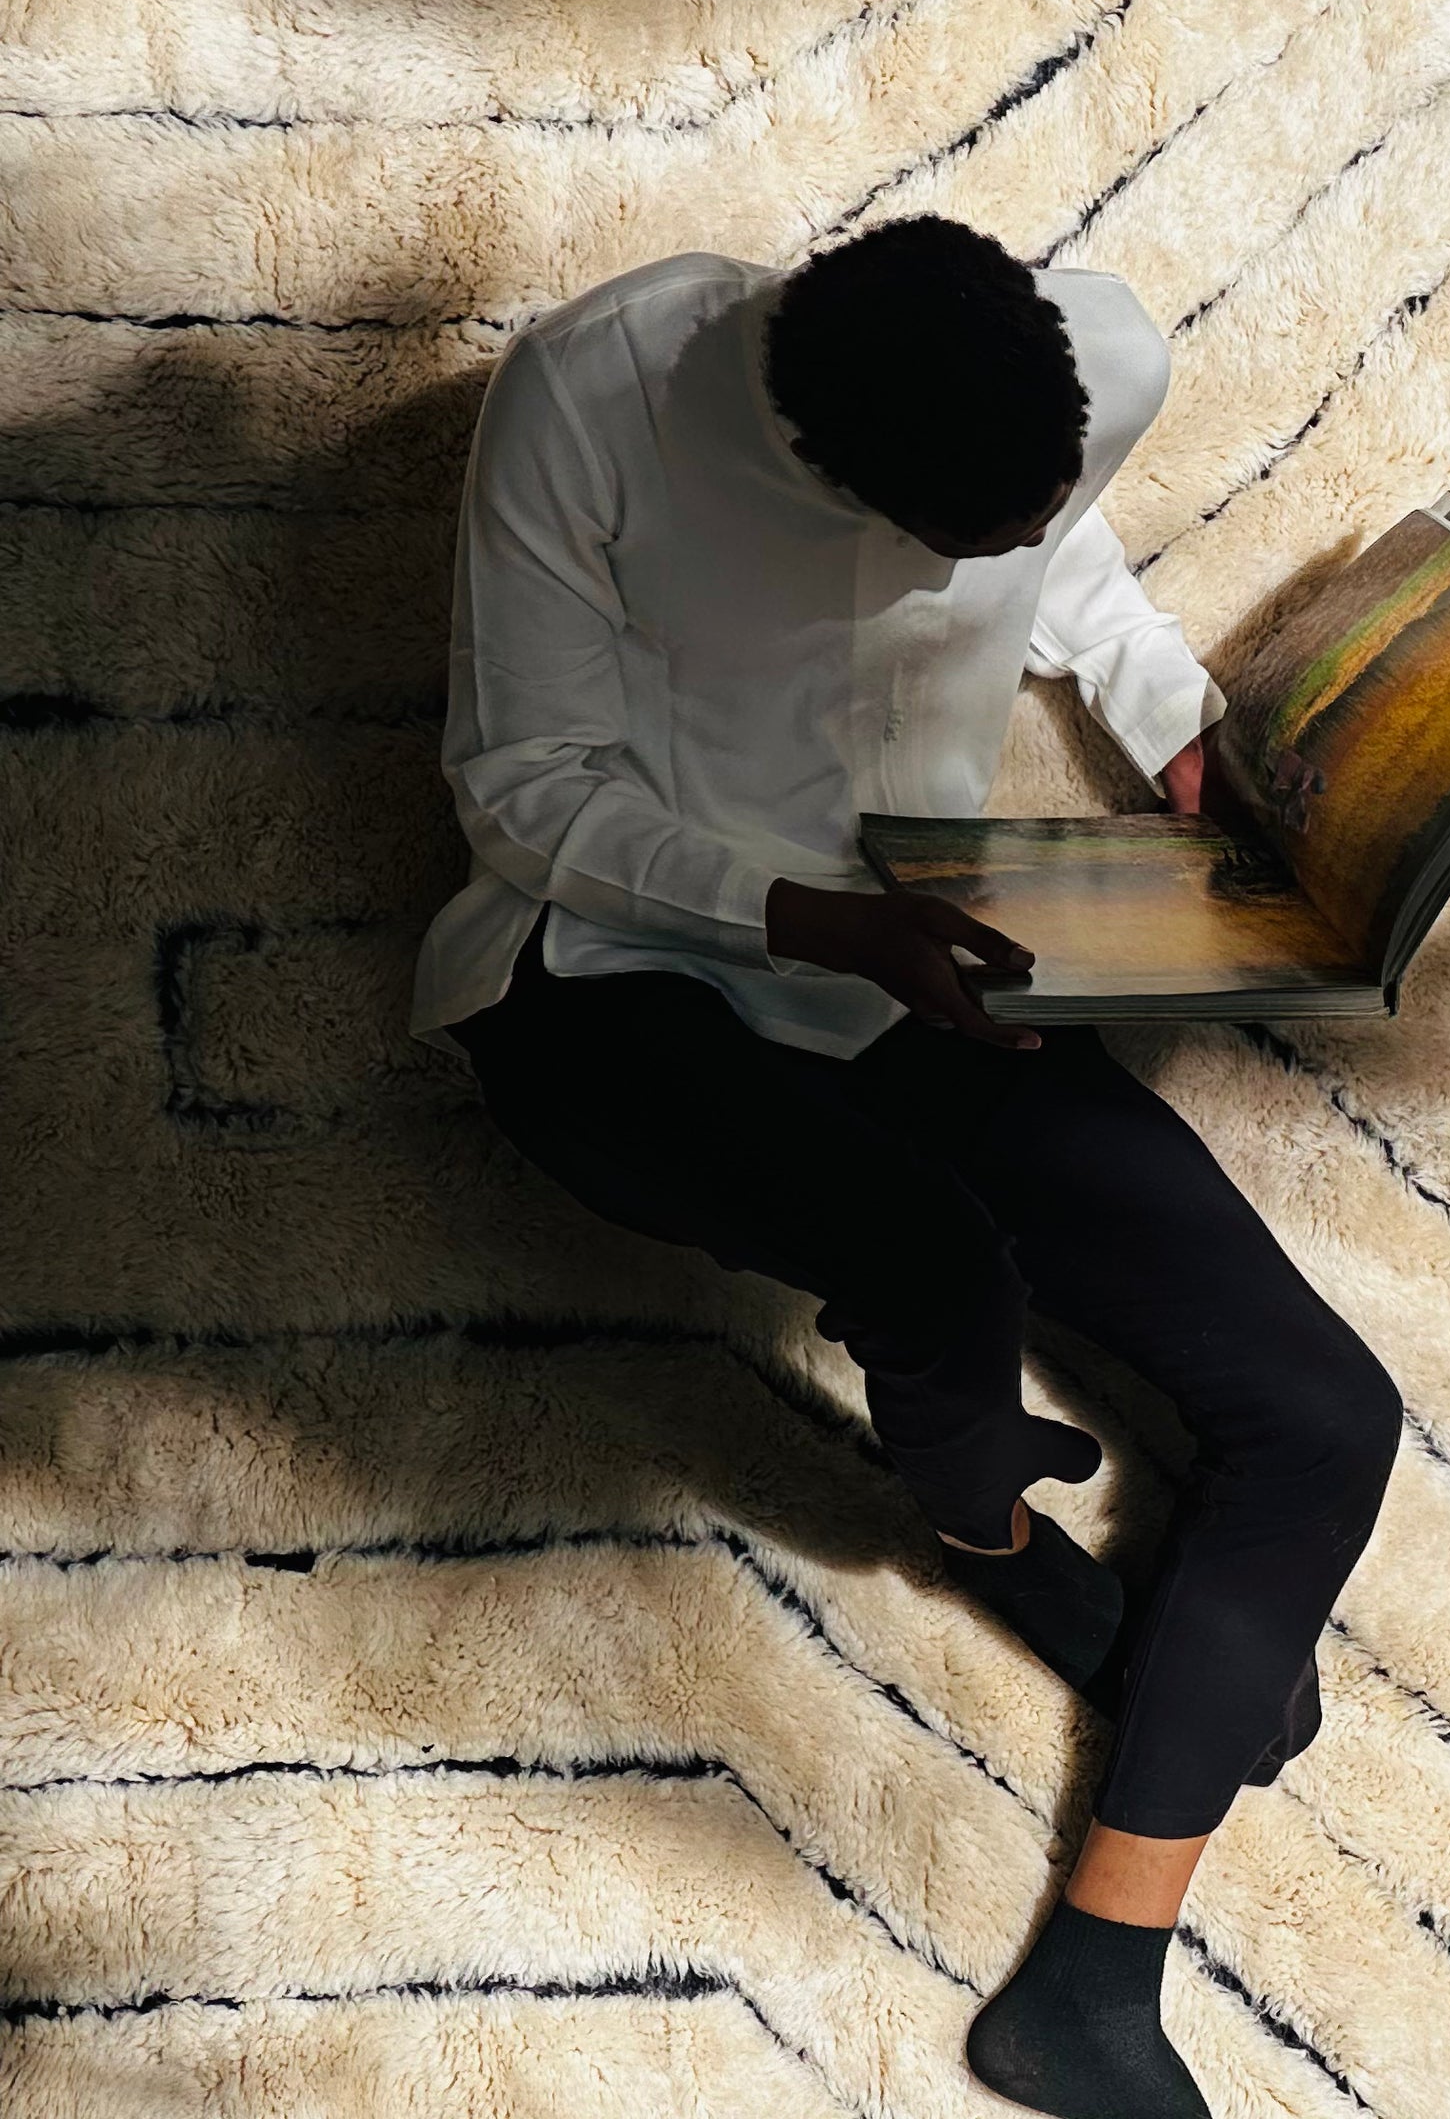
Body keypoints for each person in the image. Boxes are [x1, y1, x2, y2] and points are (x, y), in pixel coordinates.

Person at [405, 215, 1392, 2119]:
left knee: (1325, 1414)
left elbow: (1074, 553)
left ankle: (1093, 1986)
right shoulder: (592, 398)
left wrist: (1175, 722)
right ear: (848, 486)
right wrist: (807, 922)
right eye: (971, 552)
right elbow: (519, 785)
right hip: (623, 982)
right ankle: (981, 1527)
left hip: (931, 953)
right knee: (940, 1277)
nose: (1011, 567)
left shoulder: (1083, 357)